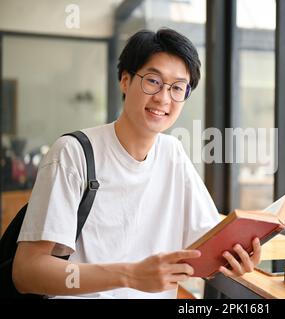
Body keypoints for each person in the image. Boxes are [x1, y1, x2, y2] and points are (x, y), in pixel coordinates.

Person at [12, 28, 261, 299]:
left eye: (177, 88)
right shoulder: (73, 154)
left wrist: (235, 257)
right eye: (153, 81)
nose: (164, 98)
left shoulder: (173, 154)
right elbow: (27, 272)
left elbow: (207, 244)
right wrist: (129, 275)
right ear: (125, 80)